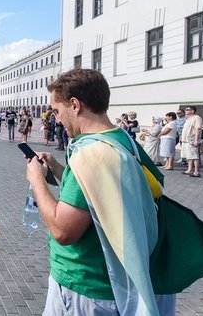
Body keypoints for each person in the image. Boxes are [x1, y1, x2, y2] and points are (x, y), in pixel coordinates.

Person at [25, 69, 175, 315]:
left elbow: (63, 231)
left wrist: (37, 180)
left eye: (57, 110)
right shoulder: (122, 140)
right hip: (121, 280)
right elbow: (99, 193)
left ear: (75, 105)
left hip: (86, 284)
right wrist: (58, 168)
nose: (57, 119)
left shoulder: (90, 154)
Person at [181, 105, 203, 177]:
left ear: (192, 111)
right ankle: (189, 170)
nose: (186, 111)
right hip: (186, 140)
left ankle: (197, 172)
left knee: (194, 156)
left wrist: (196, 140)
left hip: (192, 140)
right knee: (189, 156)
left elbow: (198, 129)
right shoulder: (188, 119)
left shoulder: (196, 118)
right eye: (185, 110)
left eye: (187, 110)